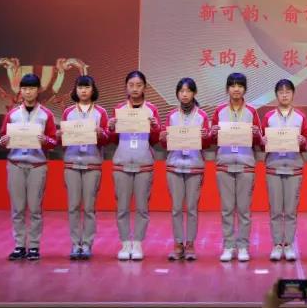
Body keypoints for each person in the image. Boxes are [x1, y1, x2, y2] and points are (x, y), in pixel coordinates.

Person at [0, 72, 58, 261]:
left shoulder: (46, 114)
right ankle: (19, 246)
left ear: (38, 90)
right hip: (15, 164)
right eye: (24, 88)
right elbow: (2, 138)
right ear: (20, 91)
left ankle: (33, 246)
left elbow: (54, 141)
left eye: (31, 88)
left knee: (35, 208)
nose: (28, 92)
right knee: (17, 208)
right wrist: (4, 141)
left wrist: (45, 140)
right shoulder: (12, 114)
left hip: (37, 166)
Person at [107, 70, 161, 261]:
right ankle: (124, 244)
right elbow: (113, 139)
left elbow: (155, 140)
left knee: (142, 208)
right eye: (131, 85)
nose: (135, 89)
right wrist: (111, 128)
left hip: (143, 163)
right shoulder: (119, 109)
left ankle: (137, 243)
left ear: (145, 87)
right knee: (122, 207)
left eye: (139, 85)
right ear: (126, 87)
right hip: (122, 163)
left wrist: (155, 128)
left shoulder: (151, 109)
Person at [210, 72, 263, 262]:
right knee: (226, 209)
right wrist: (213, 132)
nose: (236, 89)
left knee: (244, 210)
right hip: (224, 164)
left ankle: (243, 247)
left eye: (240, 85)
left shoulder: (251, 111)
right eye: (232, 85)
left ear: (245, 89)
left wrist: (256, 134)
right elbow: (211, 139)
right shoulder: (219, 111)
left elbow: (260, 140)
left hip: (246, 164)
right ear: (227, 89)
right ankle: (228, 246)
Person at [159, 78, 211, 261]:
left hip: (195, 166)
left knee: (192, 208)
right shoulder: (172, 116)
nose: (185, 94)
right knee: (176, 208)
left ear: (194, 93)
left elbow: (207, 143)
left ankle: (190, 244)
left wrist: (206, 137)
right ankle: (178, 243)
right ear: (177, 94)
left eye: (188, 91)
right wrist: (163, 137)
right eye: (181, 91)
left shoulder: (202, 116)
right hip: (174, 165)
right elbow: (165, 143)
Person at [58, 75, 109, 260]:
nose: (83, 91)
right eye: (80, 87)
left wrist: (101, 133)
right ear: (75, 90)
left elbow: (107, 139)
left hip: (92, 163)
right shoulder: (68, 112)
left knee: (89, 207)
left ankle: (87, 243)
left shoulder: (101, 112)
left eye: (87, 87)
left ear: (92, 90)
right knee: (73, 206)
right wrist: (59, 135)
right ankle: (75, 243)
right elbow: (62, 141)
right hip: (72, 163)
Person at [262, 79, 307, 261]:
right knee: (275, 209)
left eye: (287, 92)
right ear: (276, 95)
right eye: (281, 92)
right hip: (273, 167)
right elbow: (261, 141)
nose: (284, 95)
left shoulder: (300, 117)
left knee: (290, 210)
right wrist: (263, 141)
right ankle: (276, 245)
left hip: (294, 166)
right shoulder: (268, 117)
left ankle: (288, 244)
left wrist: (303, 141)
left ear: (293, 94)